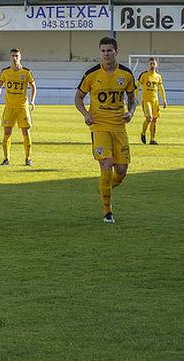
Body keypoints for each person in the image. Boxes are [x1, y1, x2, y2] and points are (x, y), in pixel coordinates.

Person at [75, 37, 136, 224]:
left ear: (116, 51)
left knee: (122, 171)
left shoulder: (125, 74)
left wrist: (131, 112)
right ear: (99, 52)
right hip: (99, 126)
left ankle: (104, 188)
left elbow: (132, 98)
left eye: (109, 50)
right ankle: (108, 211)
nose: (106, 54)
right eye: (103, 51)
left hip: (119, 127)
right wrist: (86, 114)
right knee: (106, 166)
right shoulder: (91, 74)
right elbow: (78, 98)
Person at [0, 48, 37, 166]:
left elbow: (33, 86)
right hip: (9, 107)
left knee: (26, 132)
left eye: (16, 56)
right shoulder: (5, 72)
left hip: (22, 107)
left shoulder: (26, 72)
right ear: (10, 57)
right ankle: (6, 158)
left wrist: (32, 101)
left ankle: (28, 158)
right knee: (7, 132)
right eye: (12, 55)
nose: (14, 58)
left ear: (20, 57)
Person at [137, 58, 167, 145]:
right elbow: (137, 86)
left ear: (156, 65)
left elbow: (161, 89)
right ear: (148, 65)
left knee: (154, 120)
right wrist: (135, 98)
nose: (152, 65)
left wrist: (164, 100)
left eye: (153, 64)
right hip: (146, 101)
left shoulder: (158, 76)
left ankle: (152, 139)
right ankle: (143, 133)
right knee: (149, 118)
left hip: (155, 101)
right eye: (150, 64)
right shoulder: (144, 75)